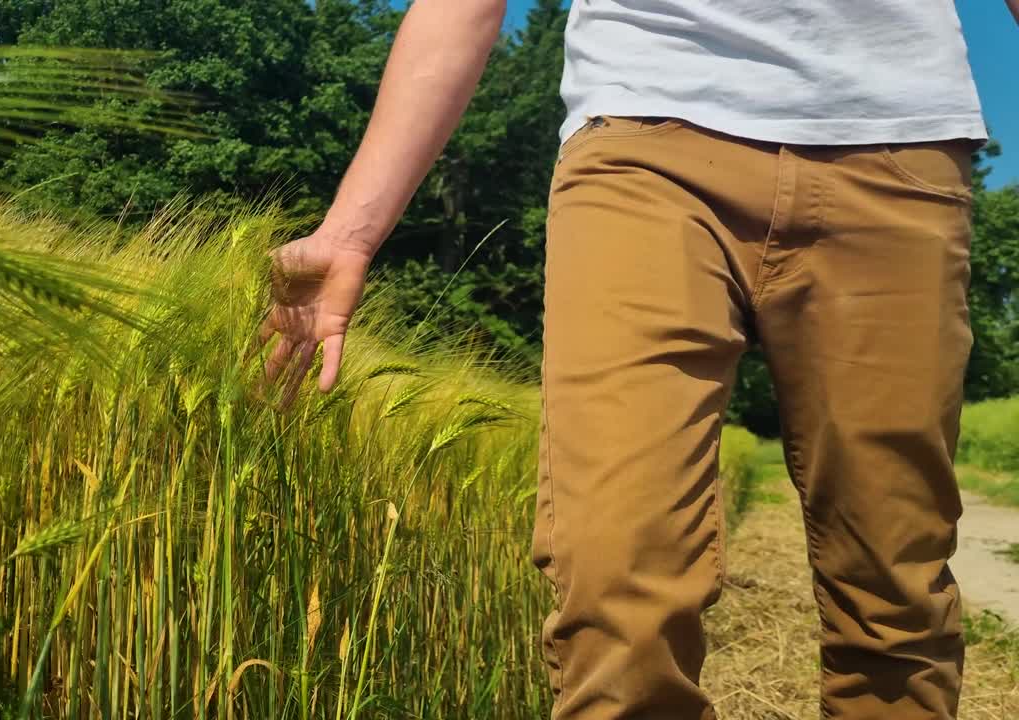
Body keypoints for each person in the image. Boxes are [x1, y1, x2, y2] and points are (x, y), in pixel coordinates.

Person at [258, 1, 1019, 718]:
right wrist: (352, 233)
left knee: (894, 594)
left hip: (897, 148)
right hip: (643, 141)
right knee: (617, 581)